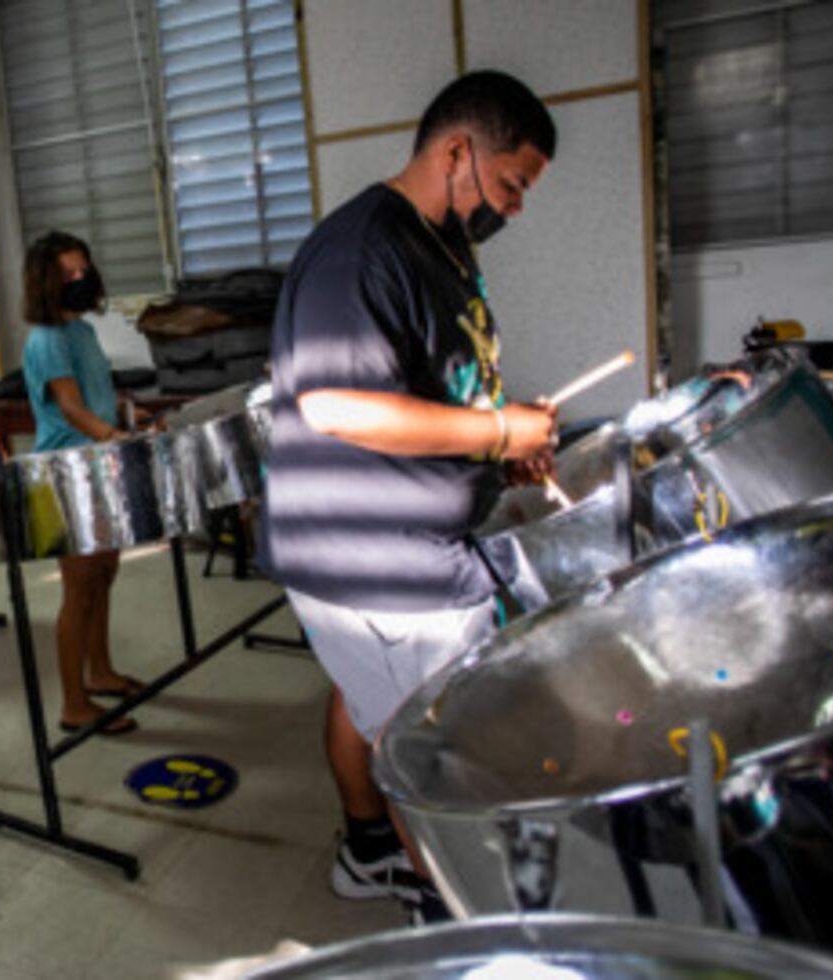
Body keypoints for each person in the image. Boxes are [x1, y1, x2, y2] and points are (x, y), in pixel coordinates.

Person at [257, 70, 558, 923]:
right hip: (371, 555)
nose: (516, 206)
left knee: (372, 707)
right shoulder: (361, 249)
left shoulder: (446, 245)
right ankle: (448, 910)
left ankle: (366, 851)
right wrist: (500, 433)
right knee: (434, 750)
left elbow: (437, 392)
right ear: (457, 152)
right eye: (511, 184)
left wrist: (503, 449)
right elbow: (337, 404)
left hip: (401, 537)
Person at [21, 231, 143, 735]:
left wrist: (127, 428)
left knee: (104, 574)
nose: (79, 280)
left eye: (84, 271)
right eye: (68, 274)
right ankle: (74, 703)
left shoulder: (83, 332)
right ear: (46, 283)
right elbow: (70, 407)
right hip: (64, 472)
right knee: (78, 587)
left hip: (97, 464)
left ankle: (101, 671)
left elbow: (99, 395)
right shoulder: (46, 340)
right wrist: (115, 437)